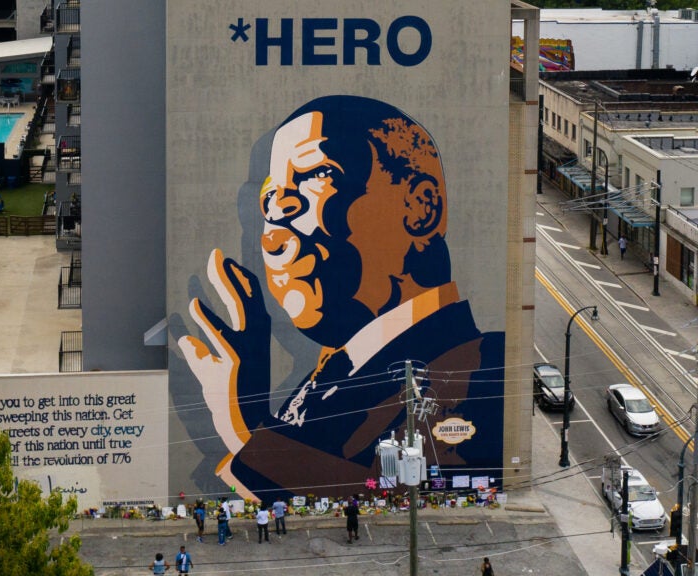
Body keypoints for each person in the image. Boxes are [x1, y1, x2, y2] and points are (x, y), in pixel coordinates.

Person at [178, 95, 505, 500]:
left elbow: (398, 505)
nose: (274, 224)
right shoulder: (331, 372)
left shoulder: (483, 368)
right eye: (270, 199)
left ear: (421, 207)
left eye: (316, 175)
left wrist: (246, 424)